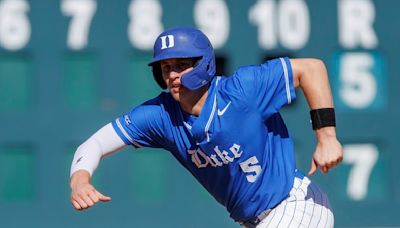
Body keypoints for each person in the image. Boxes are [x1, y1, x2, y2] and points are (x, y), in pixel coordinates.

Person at [69, 27, 343, 228]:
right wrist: (80, 179)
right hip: (256, 221)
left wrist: (327, 135)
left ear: (204, 63)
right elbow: (93, 144)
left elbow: (311, 69)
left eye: (181, 65)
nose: (172, 74)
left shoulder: (242, 89)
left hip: (298, 204)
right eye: (165, 67)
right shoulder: (161, 115)